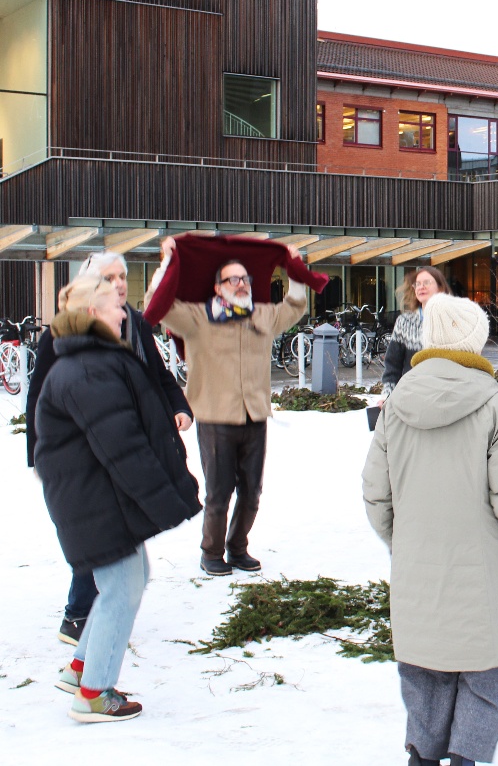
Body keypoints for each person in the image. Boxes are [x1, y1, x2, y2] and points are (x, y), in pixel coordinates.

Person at [362, 293, 498, 766]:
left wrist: (401, 542)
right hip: (482, 574)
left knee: (425, 674)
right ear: (475, 340)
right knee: (487, 677)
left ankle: (423, 756)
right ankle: (468, 757)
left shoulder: (394, 404)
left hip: (417, 572)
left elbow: (375, 494)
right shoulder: (495, 406)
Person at [34, 275, 201, 722]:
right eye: (114, 306)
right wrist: (168, 501)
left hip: (93, 497)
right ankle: (92, 693)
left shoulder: (94, 359)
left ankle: (81, 668)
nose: (123, 312)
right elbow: (121, 446)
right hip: (92, 500)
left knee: (130, 577)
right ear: (91, 314)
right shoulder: (88, 369)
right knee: (122, 587)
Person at [145, 237, 308, 576]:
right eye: (233, 279)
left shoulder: (261, 314)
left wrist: (294, 267)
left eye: (245, 278)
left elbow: (295, 306)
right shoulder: (196, 318)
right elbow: (156, 304)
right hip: (215, 417)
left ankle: (238, 547)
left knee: (252, 491)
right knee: (219, 493)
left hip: (255, 415)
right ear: (218, 287)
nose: (241, 283)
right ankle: (212, 552)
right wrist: (166, 262)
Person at [380, 266, 451, 401]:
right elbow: (393, 366)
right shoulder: (404, 322)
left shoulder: (454, 321)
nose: (421, 287)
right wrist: (388, 395)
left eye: (426, 283)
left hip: (446, 399)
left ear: (440, 288)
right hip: (411, 399)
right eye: (417, 284)